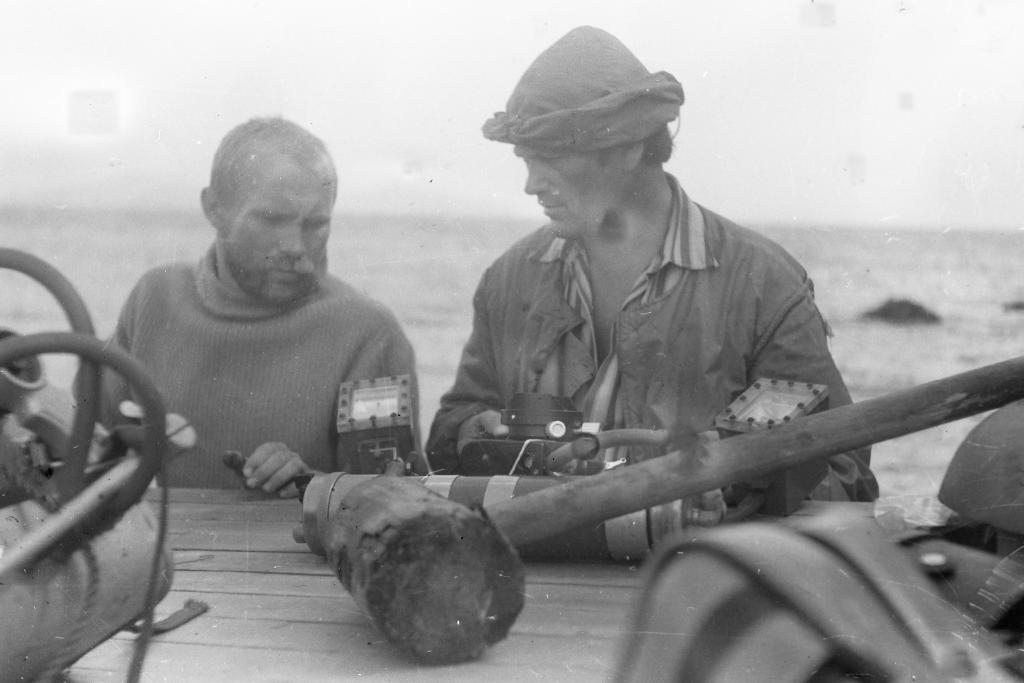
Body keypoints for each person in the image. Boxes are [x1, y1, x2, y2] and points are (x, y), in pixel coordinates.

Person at [426, 26, 878, 503]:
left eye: (553, 159)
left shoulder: (763, 284)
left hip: (693, 574)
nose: (531, 185)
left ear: (630, 147)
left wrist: (738, 482)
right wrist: (469, 432)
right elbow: (452, 432)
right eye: (525, 161)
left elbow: (843, 471)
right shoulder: (508, 280)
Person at [102, 117, 419, 496]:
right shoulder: (155, 299)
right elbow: (84, 444)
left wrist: (311, 484)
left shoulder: (368, 334)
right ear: (214, 210)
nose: (295, 247)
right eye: (272, 219)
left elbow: (397, 497)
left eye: (315, 224)